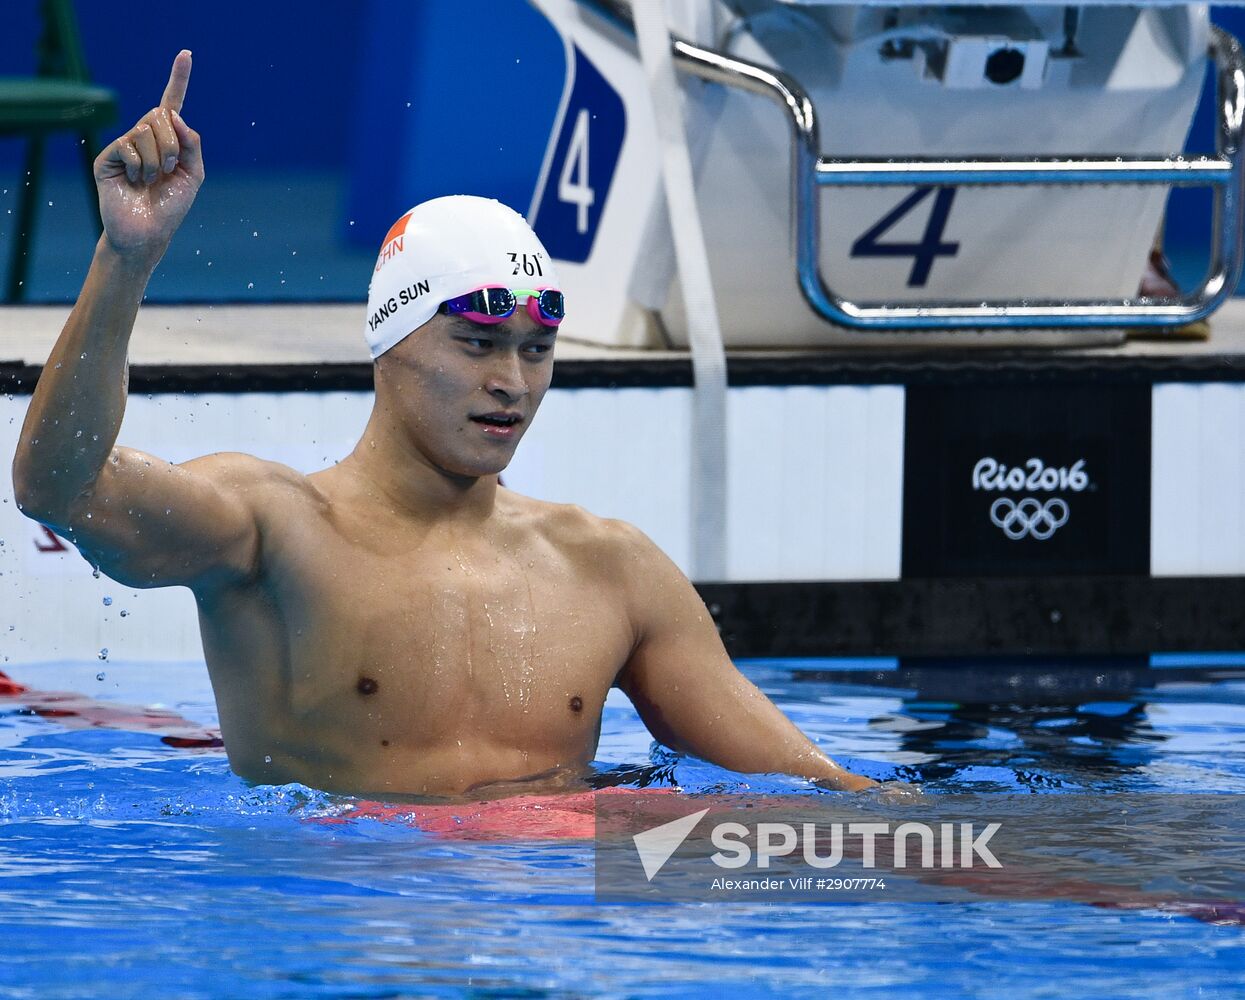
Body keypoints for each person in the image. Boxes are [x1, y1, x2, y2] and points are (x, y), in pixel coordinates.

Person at [10, 52, 877, 799]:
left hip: (550, 928)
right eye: (476, 344)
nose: (511, 383)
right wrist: (125, 260)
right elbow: (59, 487)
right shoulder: (270, 531)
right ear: (387, 345)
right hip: (341, 931)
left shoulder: (611, 571)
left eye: (537, 351)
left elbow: (822, 792)